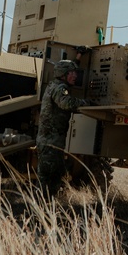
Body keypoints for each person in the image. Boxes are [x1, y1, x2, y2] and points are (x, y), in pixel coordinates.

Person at [36, 59, 90, 196]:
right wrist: (85, 103)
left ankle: (44, 205)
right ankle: (43, 206)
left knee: (50, 176)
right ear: (63, 74)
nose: (75, 76)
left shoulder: (53, 86)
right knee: (49, 178)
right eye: (72, 73)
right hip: (51, 141)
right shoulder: (60, 88)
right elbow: (66, 103)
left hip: (50, 140)